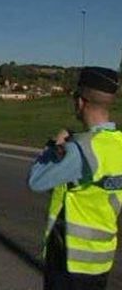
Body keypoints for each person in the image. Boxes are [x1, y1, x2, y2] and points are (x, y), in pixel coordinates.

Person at [28, 67, 122, 290]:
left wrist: (53, 146)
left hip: (70, 263)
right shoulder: (117, 144)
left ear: (81, 102)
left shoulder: (80, 150)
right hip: (100, 260)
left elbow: (36, 180)